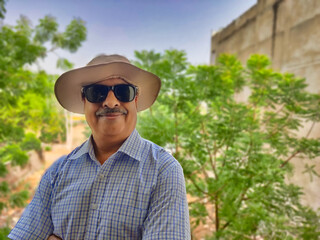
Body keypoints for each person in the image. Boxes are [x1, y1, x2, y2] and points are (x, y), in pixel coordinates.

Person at [8, 54, 191, 240]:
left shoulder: (163, 171)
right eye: (97, 92)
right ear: (84, 100)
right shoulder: (57, 173)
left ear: (135, 100)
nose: (111, 102)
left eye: (123, 91)